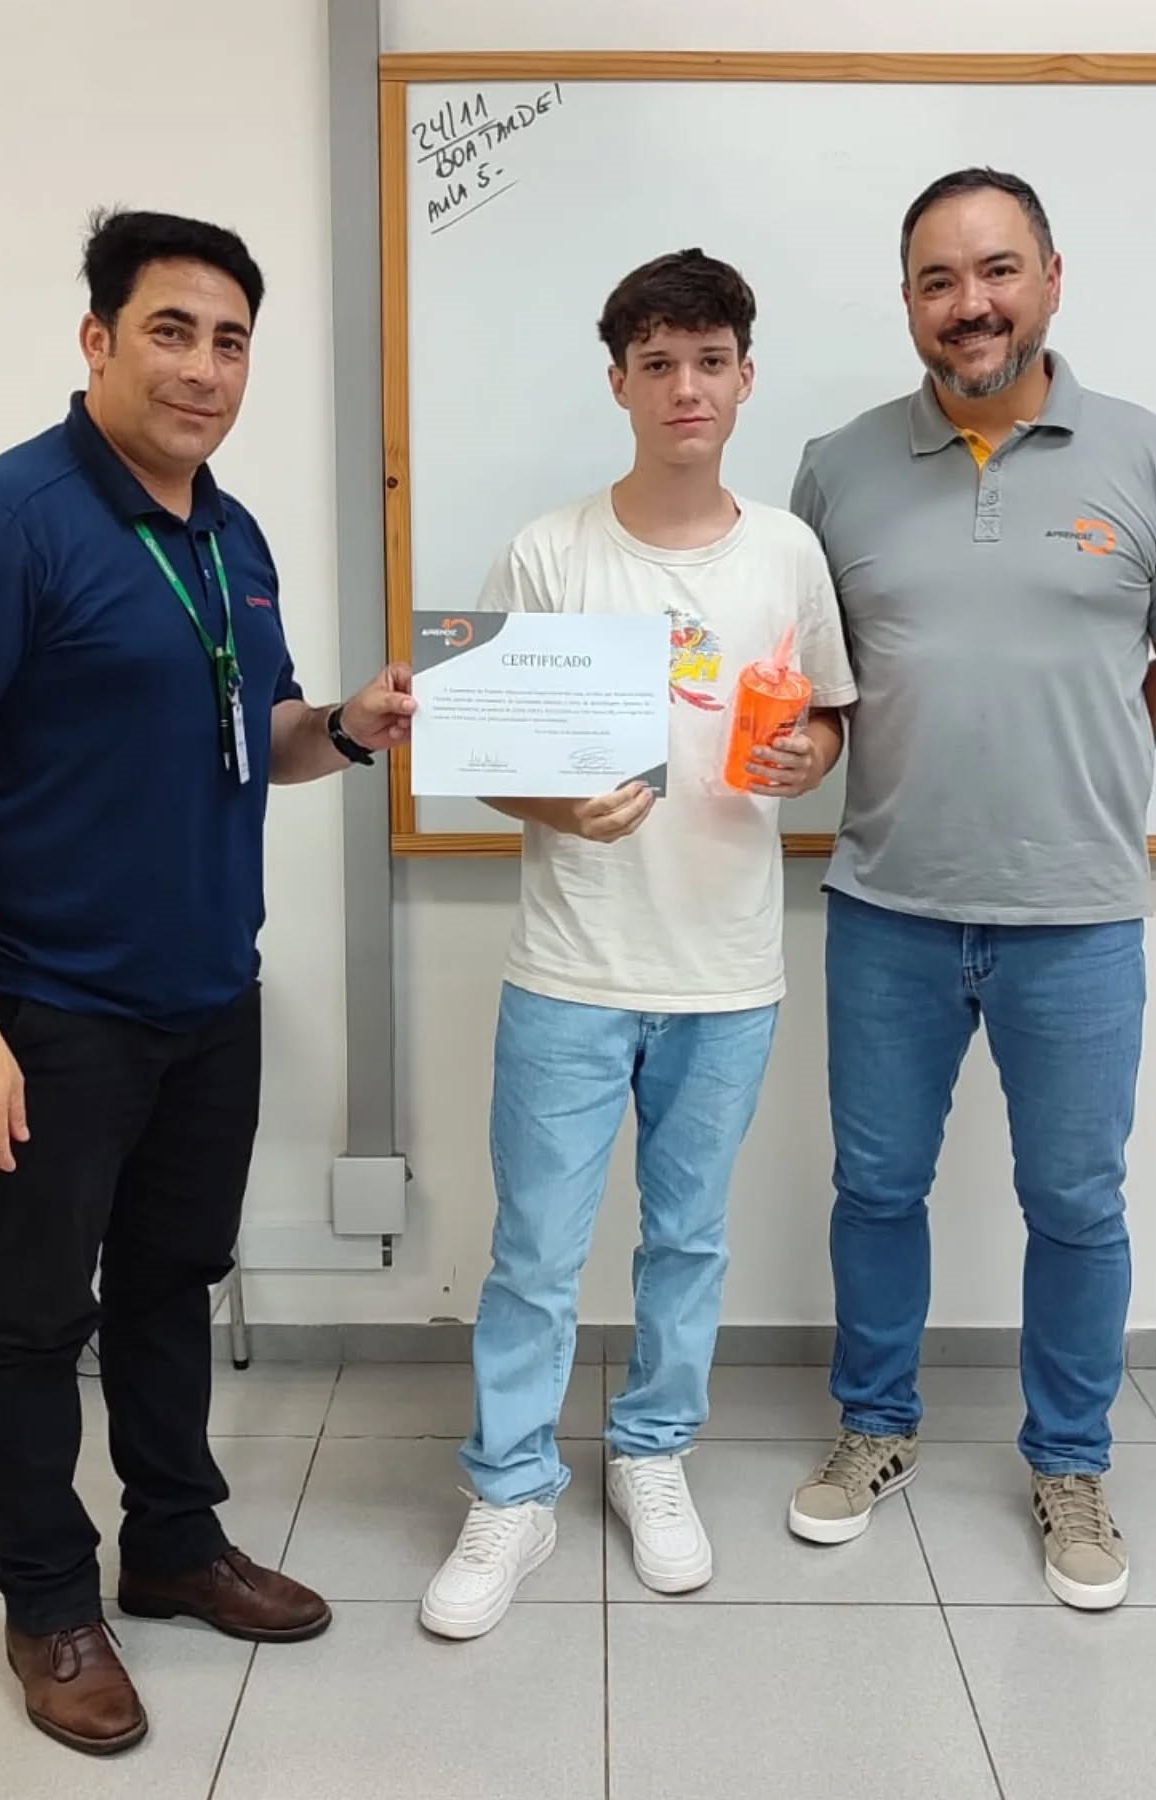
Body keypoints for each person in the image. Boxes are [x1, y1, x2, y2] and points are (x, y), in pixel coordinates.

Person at [0, 209, 415, 1754]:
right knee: (32, 1322)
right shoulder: (0, 523)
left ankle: (173, 1542)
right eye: (172, 330)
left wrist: (352, 727)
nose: (204, 367)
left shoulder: (227, 537)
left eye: (231, 340)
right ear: (98, 339)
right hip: (48, 1013)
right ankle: (50, 1607)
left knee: (174, 1284)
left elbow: (264, 736)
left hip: (205, 999)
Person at [786, 167, 1156, 1610]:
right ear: (908, 302)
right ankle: (876, 1426)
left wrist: (1088, 754)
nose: (969, 303)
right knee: (877, 1189)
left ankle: (1070, 1462)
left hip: (1079, 916)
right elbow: (818, 680)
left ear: (1051, 277)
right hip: (889, 905)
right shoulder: (836, 468)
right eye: (938, 279)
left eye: (996, 270)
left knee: (1077, 1204)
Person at [419, 249, 857, 1640]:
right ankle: (512, 1489)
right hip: (571, 965)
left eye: (709, 361)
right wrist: (555, 802)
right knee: (535, 1251)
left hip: (728, 970)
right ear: (618, 382)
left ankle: (654, 1454)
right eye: (657, 363)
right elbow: (479, 747)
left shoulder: (786, 552)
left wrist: (812, 754)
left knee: (688, 1242)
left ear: (745, 377)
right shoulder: (550, 551)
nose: (685, 387)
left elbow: (829, 714)